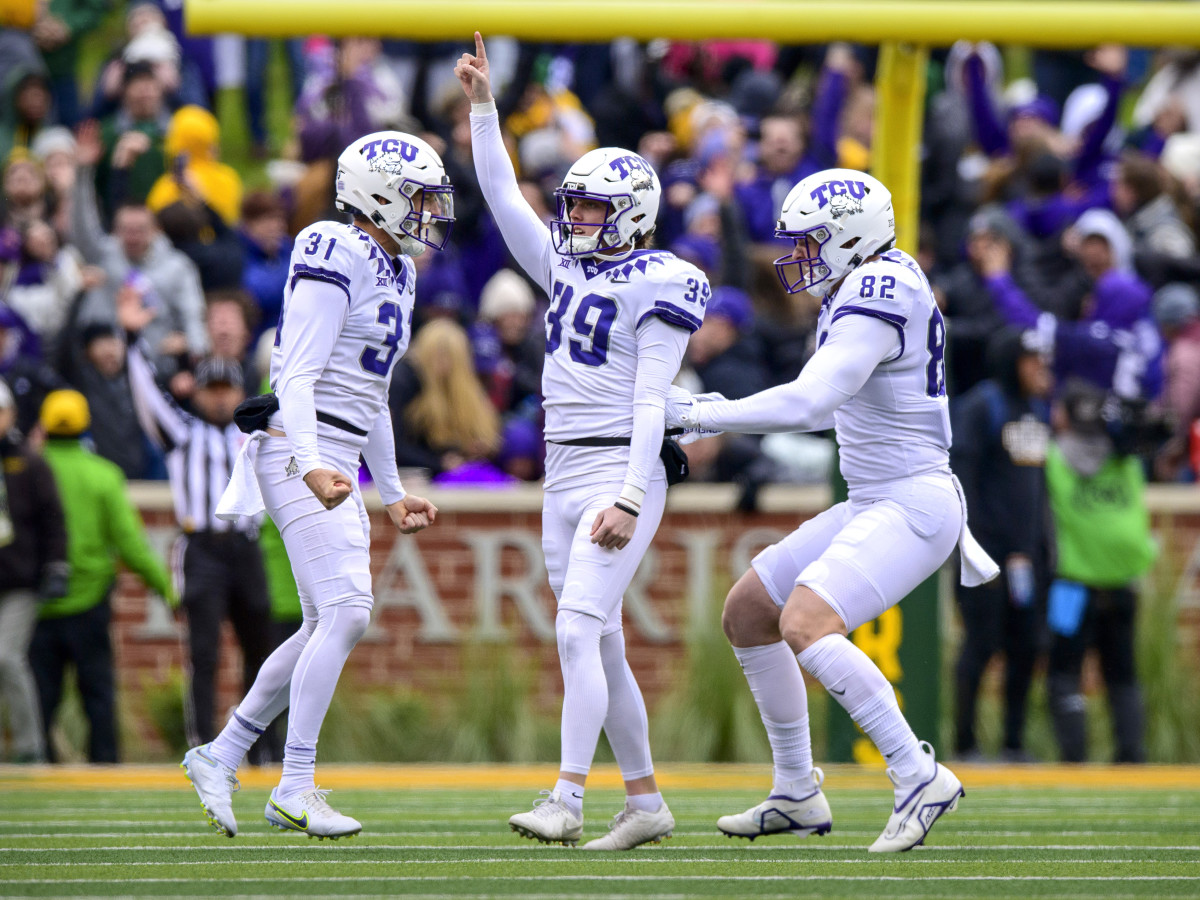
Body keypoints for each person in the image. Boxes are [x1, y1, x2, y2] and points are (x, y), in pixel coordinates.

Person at [665, 168, 999, 852]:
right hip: (877, 497)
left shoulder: (881, 288)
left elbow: (811, 403)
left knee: (805, 621)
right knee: (750, 613)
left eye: (811, 242)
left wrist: (698, 412)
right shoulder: (870, 281)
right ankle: (795, 790)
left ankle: (916, 774)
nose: (797, 257)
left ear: (852, 238)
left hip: (912, 500)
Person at [457, 33, 709, 851]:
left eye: (593, 208)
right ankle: (644, 803)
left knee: (575, 628)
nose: (576, 221)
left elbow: (651, 399)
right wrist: (486, 109)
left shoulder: (660, 280)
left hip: (616, 463)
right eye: (574, 207)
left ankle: (566, 798)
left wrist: (633, 494)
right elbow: (501, 196)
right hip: (562, 465)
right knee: (599, 636)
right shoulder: (568, 269)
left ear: (632, 212)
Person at [180, 129, 445, 840]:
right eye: (417, 197)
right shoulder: (335, 245)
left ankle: (222, 753)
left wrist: (389, 490)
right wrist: (307, 459)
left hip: (336, 446)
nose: (428, 211)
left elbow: (373, 396)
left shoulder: (401, 271)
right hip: (299, 444)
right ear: (379, 194)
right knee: (350, 611)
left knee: (327, 619)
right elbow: (294, 374)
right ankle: (295, 782)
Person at [32, 389, 175, 762]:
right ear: (85, 425)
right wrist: (168, 589)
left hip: (38, 604)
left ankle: (39, 768)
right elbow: (132, 545)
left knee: (40, 699)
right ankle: (104, 764)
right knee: (97, 696)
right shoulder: (104, 476)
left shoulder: (30, 470)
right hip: (90, 603)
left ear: (44, 426)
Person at [950, 329, 1053, 761]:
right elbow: (962, 480)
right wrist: (974, 546)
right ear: (1013, 361)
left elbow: (1037, 488)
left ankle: (1013, 743)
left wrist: (1041, 548)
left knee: (1026, 646)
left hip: (1026, 560)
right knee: (981, 642)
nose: (1040, 370)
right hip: (985, 555)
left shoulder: (1035, 411)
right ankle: (965, 743)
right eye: (1031, 361)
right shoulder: (983, 406)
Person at [1045, 380, 1154, 764]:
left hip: (1071, 585)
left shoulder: (1054, 457)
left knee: (1063, 673)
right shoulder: (1126, 460)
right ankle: (1131, 754)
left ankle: (1074, 758)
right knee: (1123, 674)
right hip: (1123, 582)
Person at [0, 378, 67, 763]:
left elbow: (52, 518)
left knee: (7, 657)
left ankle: (29, 748)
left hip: (19, 579)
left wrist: (55, 565)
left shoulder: (29, 461)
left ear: (10, 413)